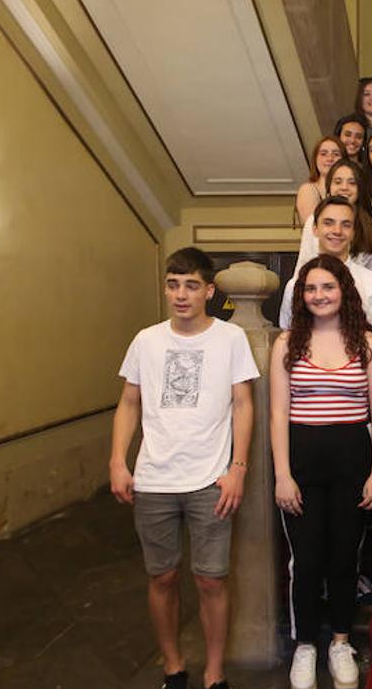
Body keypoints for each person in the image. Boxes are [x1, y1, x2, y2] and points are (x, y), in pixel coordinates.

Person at [110, 247, 260, 689]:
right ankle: (173, 667)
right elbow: (129, 403)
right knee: (163, 576)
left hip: (210, 480)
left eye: (191, 285)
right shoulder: (146, 340)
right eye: (173, 284)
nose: (181, 294)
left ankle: (214, 672)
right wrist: (118, 460)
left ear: (209, 291)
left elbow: (243, 404)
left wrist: (238, 468)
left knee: (211, 580)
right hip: (154, 479)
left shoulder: (230, 339)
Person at [270, 255, 372, 689]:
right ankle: (305, 645)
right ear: (301, 296)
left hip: (352, 462)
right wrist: (283, 474)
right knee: (305, 560)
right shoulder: (287, 344)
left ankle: (340, 641)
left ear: (344, 291)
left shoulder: (368, 343)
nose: (319, 296)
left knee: (343, 557)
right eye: (311, 289)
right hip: (301, 462)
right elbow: (278, 414)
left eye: (328, 287)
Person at [281, 196, 372, 358]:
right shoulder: (296, 285)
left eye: (346, 225)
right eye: (328, 223)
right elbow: (288, 339)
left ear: (353, 232)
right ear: (315, 229)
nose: (337, 231)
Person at [295, 159, 372, 271]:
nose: (344, 187)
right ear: (329, 186)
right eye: (338, 182)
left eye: (352, 183)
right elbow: (303, 264)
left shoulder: (370, 225)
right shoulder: (314, 220)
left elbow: (371, 271)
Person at [295, 136, 345, 225]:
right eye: (323, 154)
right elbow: (312, 227)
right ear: (315, 159)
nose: (330, 158)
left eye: (336, 154)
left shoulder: (348, 190)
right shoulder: (308, 189)